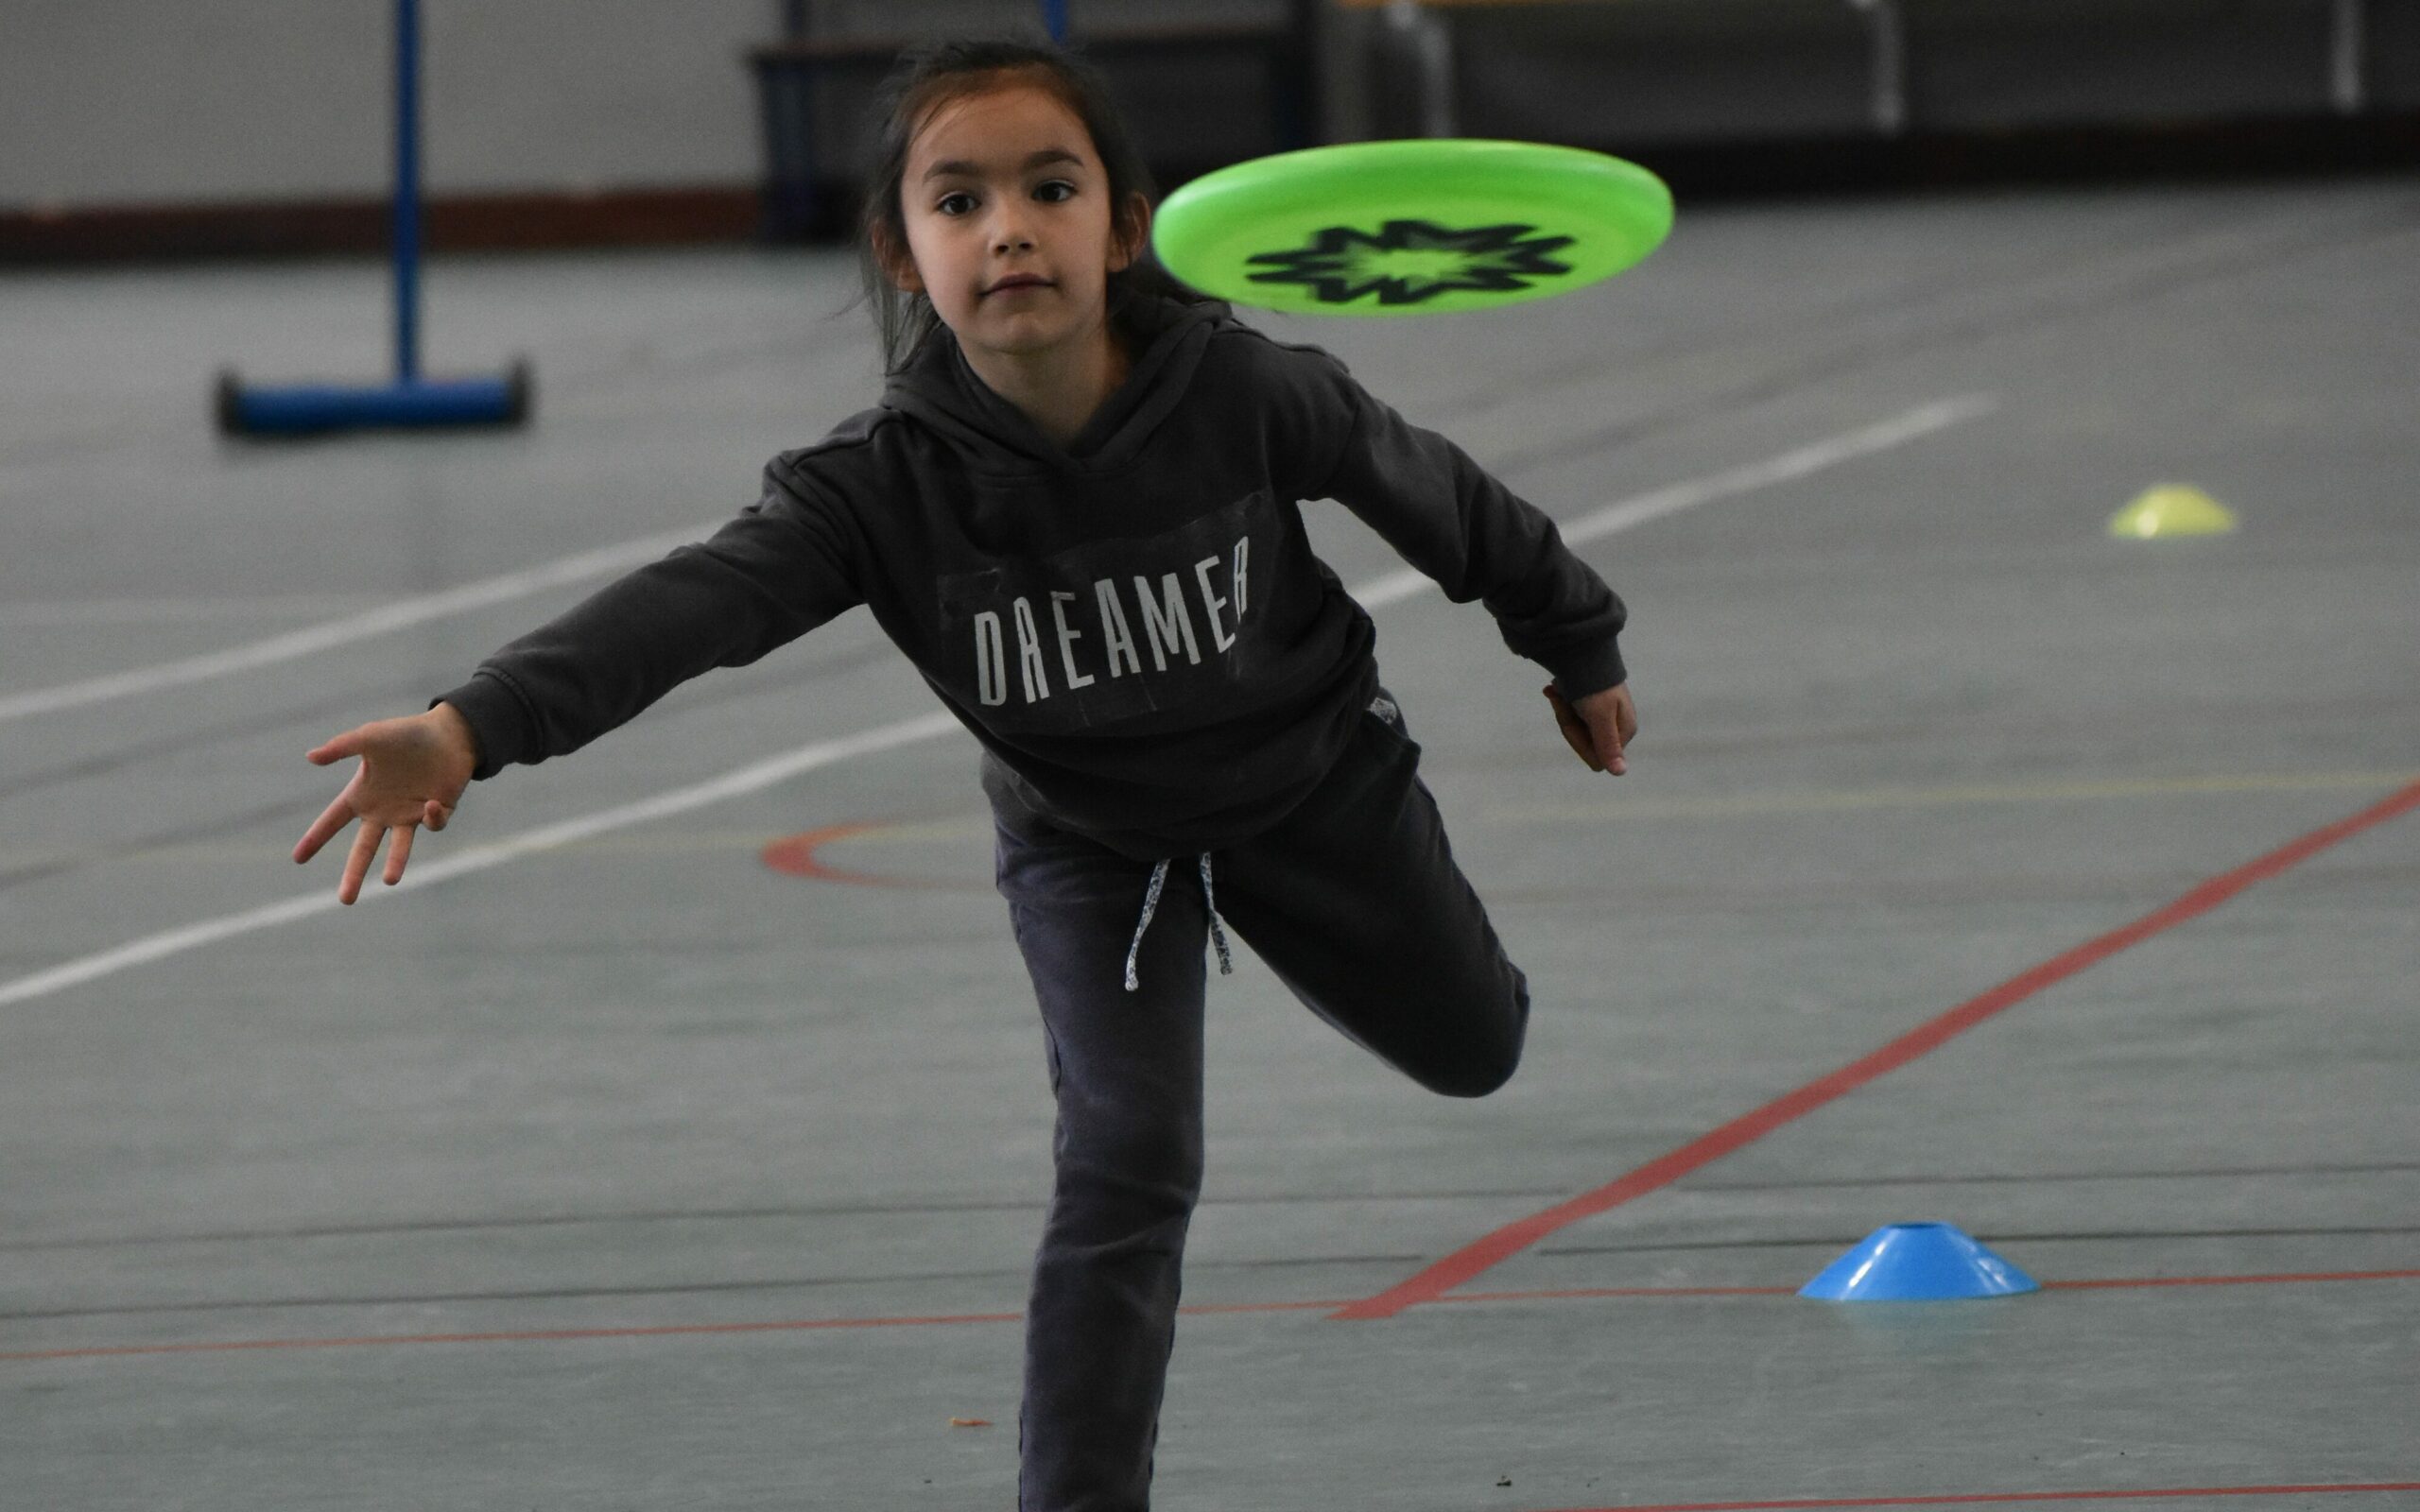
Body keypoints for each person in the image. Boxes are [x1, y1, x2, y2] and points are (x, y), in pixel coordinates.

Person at [292, 37, 1638, 1512]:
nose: (1008, 228)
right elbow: (686, 610)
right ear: (901, 247)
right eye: (960, 201)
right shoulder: (877, 487)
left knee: (1478, 1050)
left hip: (1317, 789)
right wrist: (470, 724)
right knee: (1127, 1162)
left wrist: (1569, 639)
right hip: (1093, 849)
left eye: (1049, 189)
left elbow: (1435, 490)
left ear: (1121, 226)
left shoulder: (1244, 389)